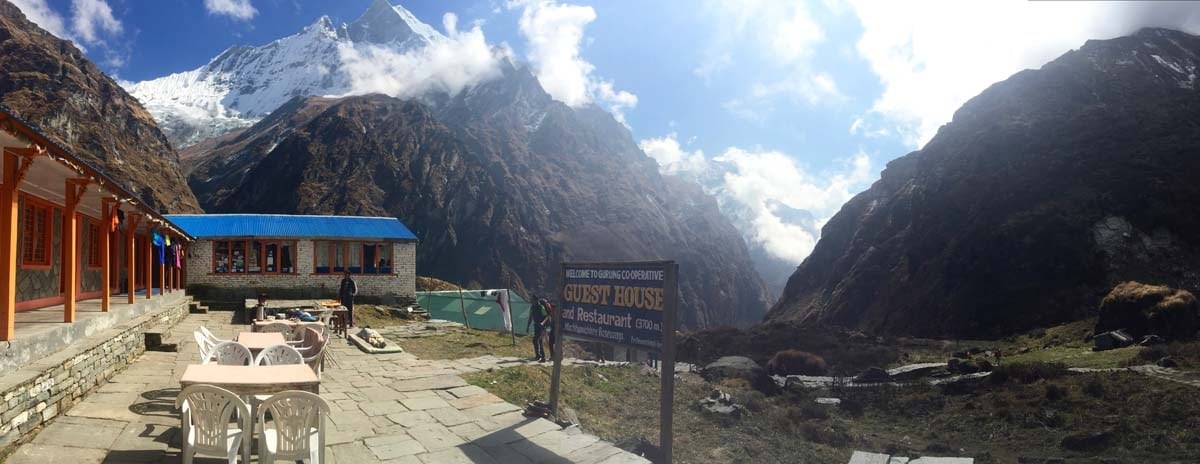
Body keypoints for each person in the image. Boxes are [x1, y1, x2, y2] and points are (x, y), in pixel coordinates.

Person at [526, 296, 547, 362]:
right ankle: (539, 355)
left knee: (538, 340)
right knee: (536, 340)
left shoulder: (541, 307)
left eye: (533, 300)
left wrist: (542, 324)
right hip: (536, 326)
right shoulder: (532, 307)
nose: (532, 302)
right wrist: (527, 327)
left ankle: (542, 357)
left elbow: (546, 317)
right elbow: (530, 317)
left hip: (542, 327)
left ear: (536, 300)